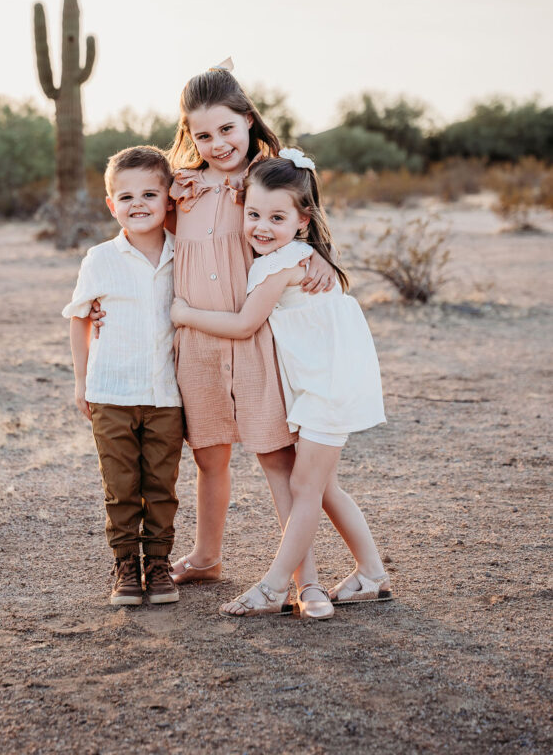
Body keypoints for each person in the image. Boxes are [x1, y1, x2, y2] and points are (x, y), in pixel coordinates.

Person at [171, 149, 390, 618]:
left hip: (322, 387)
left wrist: (186, 313)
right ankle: (371, 572)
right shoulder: (300, 256)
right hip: (328, 381)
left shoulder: (281, 263)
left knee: (306, 487)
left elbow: (245, 324)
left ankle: (273, 588)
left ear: (303, 220)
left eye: (276, 216)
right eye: (252, 215)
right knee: (325, 486)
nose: (260, 227)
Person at [163, 60, 336, 607]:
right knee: (208, 456)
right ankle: (207, 557)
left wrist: (322, 260)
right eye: (203, 134)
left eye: (227, 129)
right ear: (189, 136)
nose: (217, 143)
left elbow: (299, 222)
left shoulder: (264, 179)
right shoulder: (182, 190)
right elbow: (145, 238)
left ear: (248, 120)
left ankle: (304, 580)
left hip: (257, 342)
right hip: (197, 347)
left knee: (275, 460)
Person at [62, 146, 184, 607]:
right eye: (126, 196)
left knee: (160, 486)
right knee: (120, 486)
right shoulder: (100, 259)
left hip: (166, 394)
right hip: (111, 390)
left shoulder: (183, 255)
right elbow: (79, 317)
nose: (138, 204)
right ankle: (125, 567)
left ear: (169, 198)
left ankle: (158, 564)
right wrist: (81, 381)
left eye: (150, 193)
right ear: (111, 204)